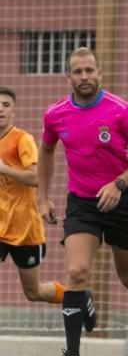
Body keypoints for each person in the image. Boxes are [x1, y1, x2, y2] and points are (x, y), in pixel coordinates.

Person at [37, 47, 128, 356]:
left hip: (121, 201)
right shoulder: (55, 115)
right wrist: (42, 197)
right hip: (82, 204)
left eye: (90, 70)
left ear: (100, 73)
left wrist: (118, 184)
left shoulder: (121, 111)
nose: (85, 77)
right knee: (76, 272)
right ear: (68, 77)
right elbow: (46, 151)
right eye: (78, 72)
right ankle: (72, 355)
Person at [0, 86, 66, 306]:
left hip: (23, 228)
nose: (0, 109)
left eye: (6, 105)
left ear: (13, 112)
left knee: (34, 292)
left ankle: (75, 299)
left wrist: (4, 169)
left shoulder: (21, 140)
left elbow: (37, 178)